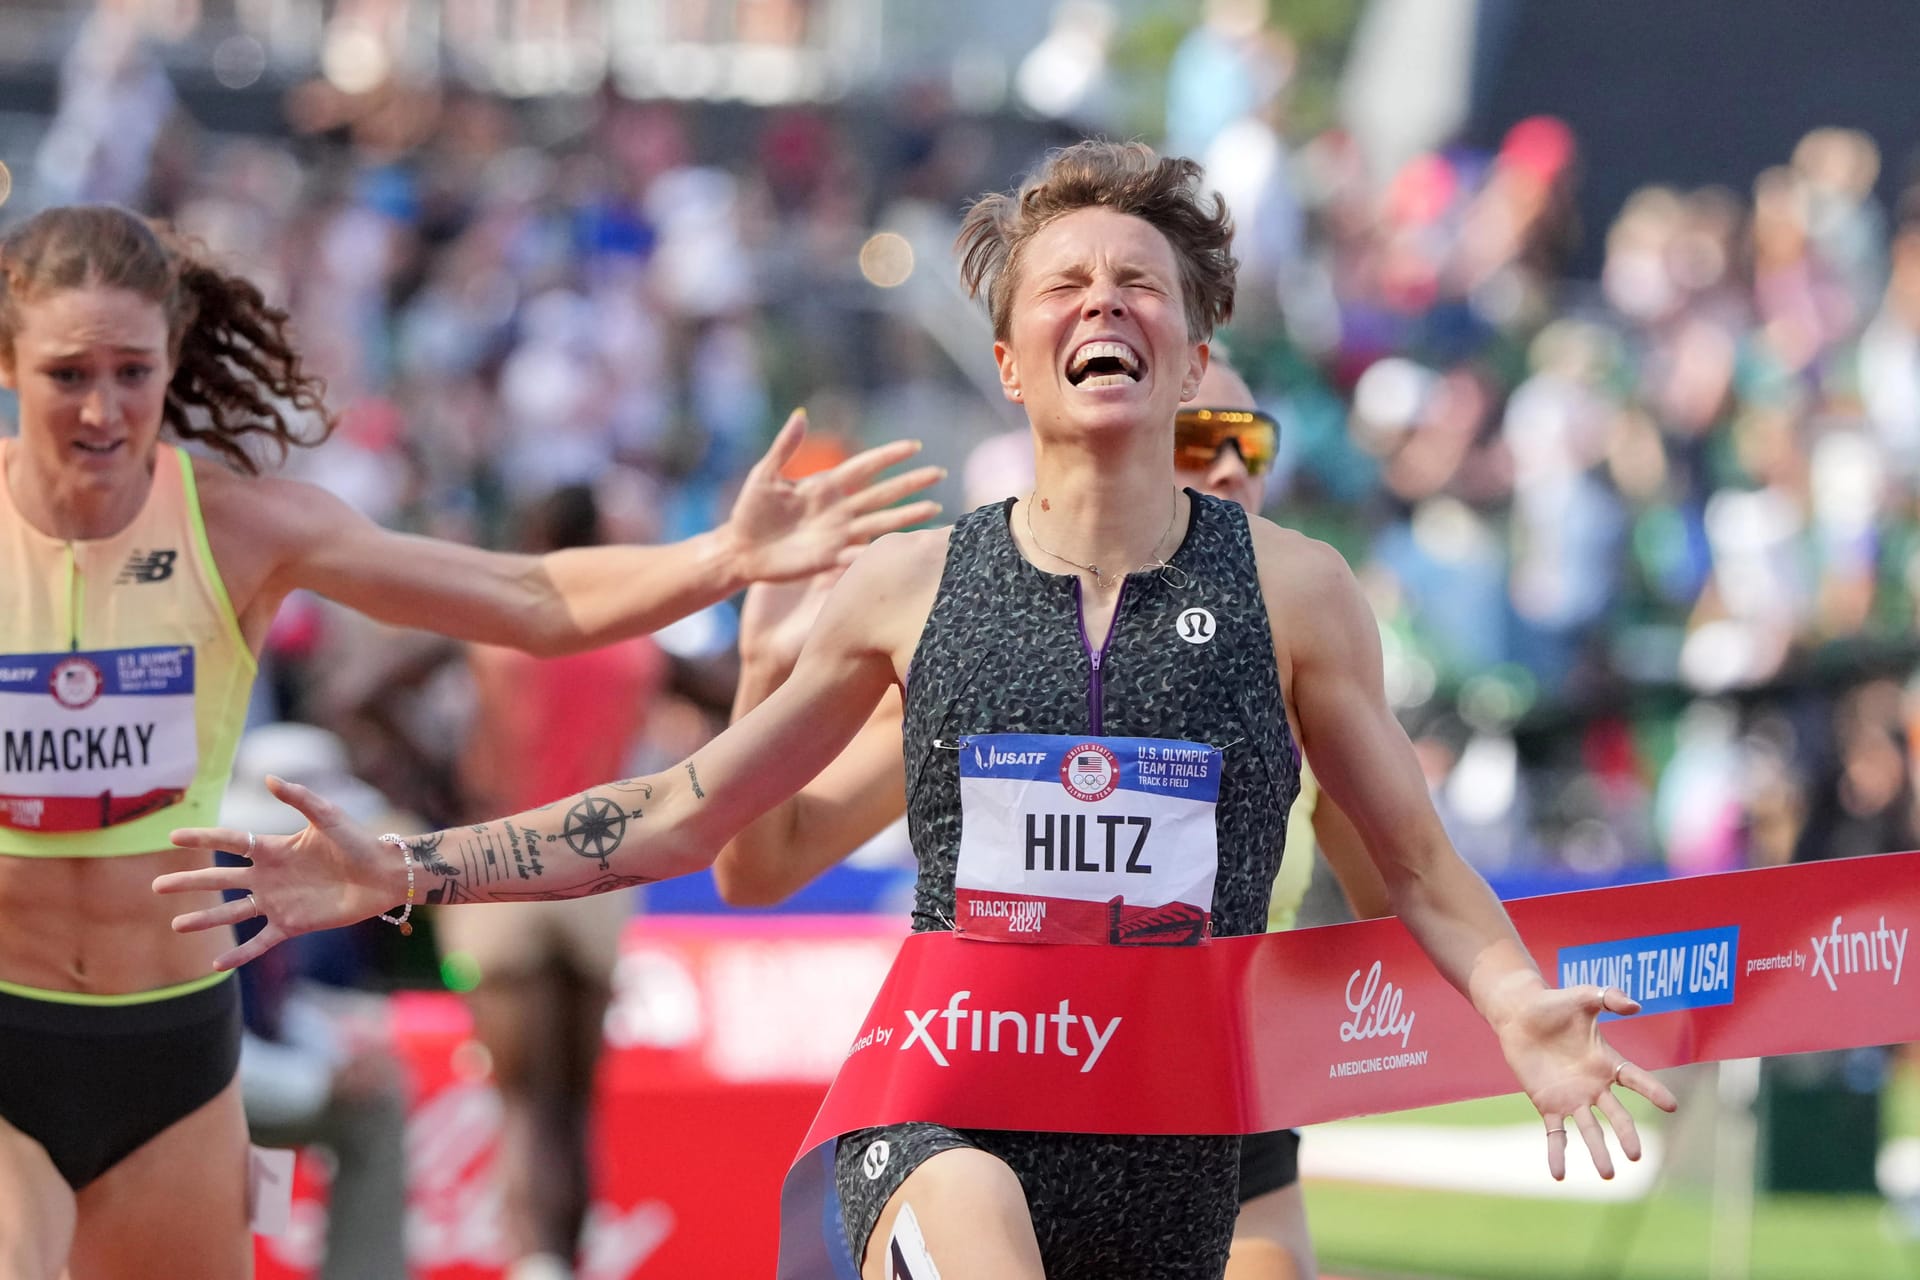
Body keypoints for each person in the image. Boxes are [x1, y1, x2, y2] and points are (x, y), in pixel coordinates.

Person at [164, 142, 1677, 1280]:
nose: (1105, 302)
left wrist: (1516, 1006)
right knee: (971, 1212)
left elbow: (1414, 861)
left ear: (1195, 353)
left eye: (1139, 284)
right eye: (1065, 287)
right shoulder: (909, 590)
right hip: (945, 1107)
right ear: (1010, 365)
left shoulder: (1301, 594)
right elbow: (693, 813)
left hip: (1182, 1144)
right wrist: (405, 865)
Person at [0, 201, 940, 1280]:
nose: (105, 409)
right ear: (8, 362)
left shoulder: (238, 525)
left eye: (133, 372)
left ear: (173, 356)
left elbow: (527, 597)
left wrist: (724, 555)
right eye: (68, 375)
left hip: (172, 1048)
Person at [715, 357, 1390, 1279]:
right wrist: (763, 667)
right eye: (1200, 438)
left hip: (1211, 1118)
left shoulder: (1302, 659)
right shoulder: (1007, 654)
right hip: (994, 1094)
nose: (1232, 467)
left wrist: (1536, 994)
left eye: (1251, 441)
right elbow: (758, 866)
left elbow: (1412, 907)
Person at [441, 483, 673, 1280]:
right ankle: (566, 1264)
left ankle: (534, 1264)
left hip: (499, 861)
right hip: (602, 873)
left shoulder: (496, 630)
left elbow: (360, 693)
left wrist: (441, 788)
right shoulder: (632, 641)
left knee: (519, 1104)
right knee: (577, 1105)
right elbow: (733, 697)